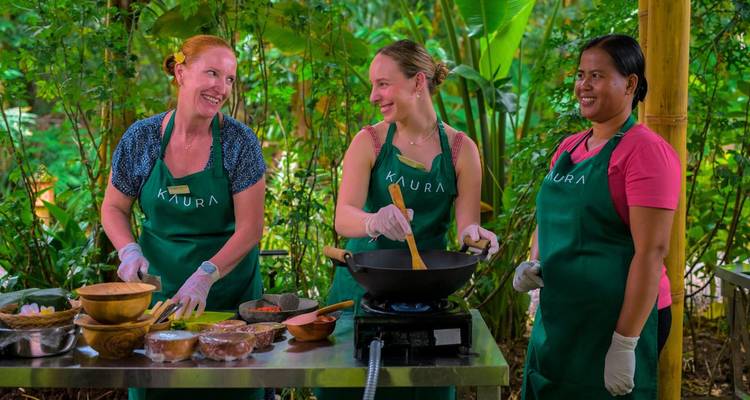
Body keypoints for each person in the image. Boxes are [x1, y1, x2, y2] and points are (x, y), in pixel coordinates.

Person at [321, 39, 499, 400]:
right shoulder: (369, 141)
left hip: (426, 297)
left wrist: (478, 235)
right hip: (361, 289)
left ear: (418, 82)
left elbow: (465, 230)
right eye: (373, 85)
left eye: (383, 84)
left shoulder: (462, 150)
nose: (373, 96)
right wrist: (374, 221)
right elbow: (343, 218)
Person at [513, 34, 680, 399]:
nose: (583, 86)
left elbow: (651, 253)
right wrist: (534, 263)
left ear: (630, 84)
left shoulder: (646, 152)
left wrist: (624, 343)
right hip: (562, 315)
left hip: (617, 320)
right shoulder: (570, 146)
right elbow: (549, 214)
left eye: (597, 76)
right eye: (580, 74)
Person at [101, 34, 266, 400]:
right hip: (157, 305)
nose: (220, 87)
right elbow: (113, 207)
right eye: (211, 73)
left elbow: (251, 228)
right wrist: (128, 250)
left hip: (225, 301)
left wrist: (206, 275)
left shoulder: (240, 142)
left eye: (229, 79)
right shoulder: (141, 139)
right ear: (180, 72)